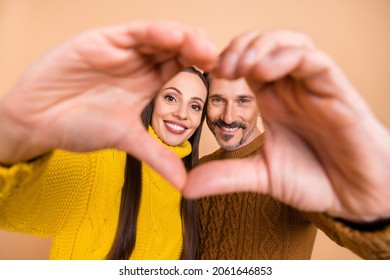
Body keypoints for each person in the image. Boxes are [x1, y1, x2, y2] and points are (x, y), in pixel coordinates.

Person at [0, 21, 216, 259]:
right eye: (171, 98)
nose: (183, 114)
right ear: (151, 101)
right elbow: (8, 208)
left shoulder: (190, 187)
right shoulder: (98, 159)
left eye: (195, 106)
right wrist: (17, 133)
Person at [181, 29, 390, 259]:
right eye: (218, 100)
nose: (229, 117)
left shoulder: (291, 167)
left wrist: (376, 207)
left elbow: (377, 249)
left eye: (243, 101)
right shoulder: (197, 169)